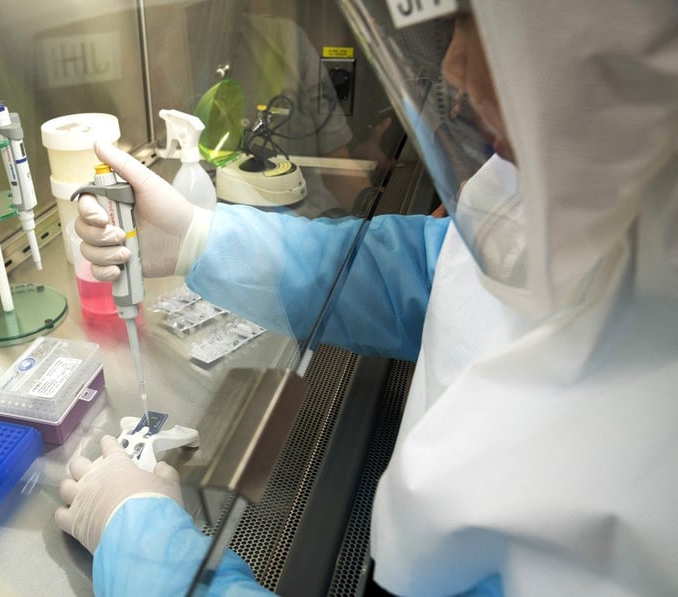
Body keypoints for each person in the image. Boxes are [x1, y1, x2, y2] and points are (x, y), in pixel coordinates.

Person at [56, 1, 678, 595]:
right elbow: (436, 271)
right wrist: (200, 238)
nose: (455, 69)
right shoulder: (605, 174)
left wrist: (143, 549)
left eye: (477, 20)